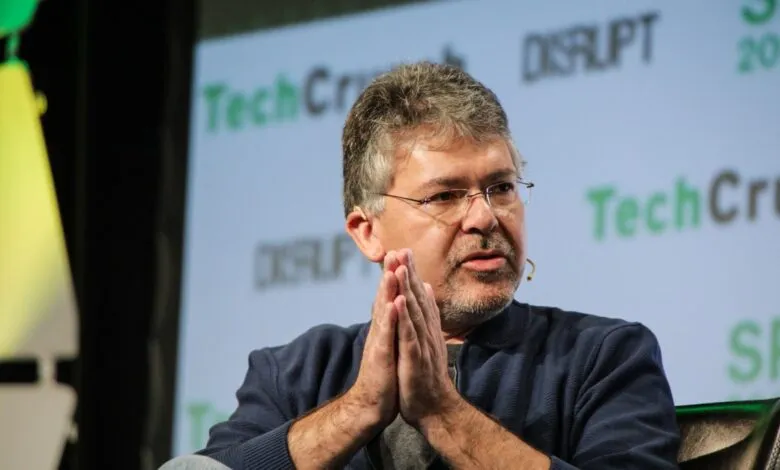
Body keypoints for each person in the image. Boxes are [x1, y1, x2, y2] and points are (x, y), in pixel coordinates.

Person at [179, 62, 680, 469]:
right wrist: (357, 411)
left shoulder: (604, 357)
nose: (485, 215)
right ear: (367, 231)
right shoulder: (296, 372)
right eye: (444, 195)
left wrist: (443, 413)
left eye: (501, 187)